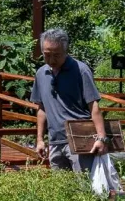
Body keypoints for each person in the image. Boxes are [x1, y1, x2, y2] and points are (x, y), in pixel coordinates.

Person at [31, 28, 108, 171]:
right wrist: (40, 140)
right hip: (55, 141)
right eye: (47, 55)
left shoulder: (81, 70)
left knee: (84, 183)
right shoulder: (41, 73)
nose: (52, 60)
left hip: (80, 138)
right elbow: (41, 109)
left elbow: (93, 105)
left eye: (57, 55)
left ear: (66, 51)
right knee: (60, 184)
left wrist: (101, 138)